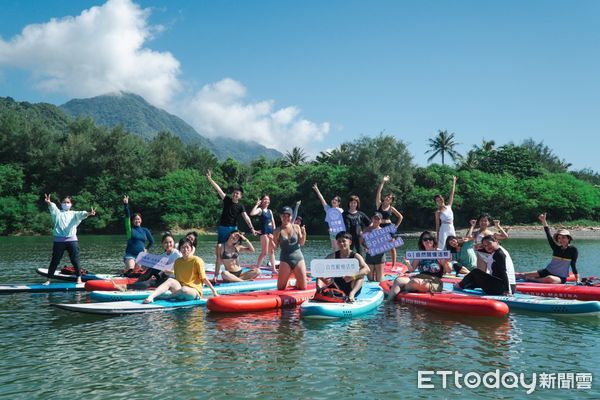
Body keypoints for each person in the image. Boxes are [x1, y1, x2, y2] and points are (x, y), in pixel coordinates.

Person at [143, 238, 218, 303]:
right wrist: (167, 272)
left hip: (194, 291)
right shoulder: (178, 261)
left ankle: (166, 297)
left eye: (187, 247)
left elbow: (203, 278)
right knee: (170, 280)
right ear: (180, 249)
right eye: (183, 247)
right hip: (180, 288)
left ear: (191, 248)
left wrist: (214, 291)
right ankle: (151, 297)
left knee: (184, 289)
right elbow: (177, 275)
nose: (185, 250)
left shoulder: (197, 260)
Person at [43, 193, 96, 285]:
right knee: (55, 260)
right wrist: (48, 202)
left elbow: (82, 214)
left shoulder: (74, 214)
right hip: (59, 241)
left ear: (71, 204)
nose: (66, 204)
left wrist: (89, 213)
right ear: (62, 204)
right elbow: (53, 206)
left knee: (75, 260)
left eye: (68, 202)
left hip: (72, 241)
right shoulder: (57, 213)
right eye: (64, 202)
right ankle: (48, 280)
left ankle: (79, 278)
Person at [515, 213, 580, 284]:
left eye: (564, 237)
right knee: (522, 275)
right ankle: (504, 276)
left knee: (550, 279)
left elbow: (573, 265)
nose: (561, 240)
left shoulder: (573, 250)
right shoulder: (556, 248)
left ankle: (532, 279)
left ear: (568, 238)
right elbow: (548, 235)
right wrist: (543, 221)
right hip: (547, 271)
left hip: (560, 277)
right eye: (559, 238)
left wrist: (577, 279)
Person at [206, 169, 256, 260]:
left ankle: (234, 264)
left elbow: (246, 217)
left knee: (235, 247)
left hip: (233, 229)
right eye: (234, 193)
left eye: (237, 193)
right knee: (220, 247)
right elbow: (218, 189)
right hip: (223, 228)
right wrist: (210, 179)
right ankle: (219, 262)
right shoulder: (227, 200)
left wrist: (252, 228)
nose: (235, 194)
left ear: (240, 196)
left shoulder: (240, 206)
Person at [386, 231, 450, 301]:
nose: (428, 241)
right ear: (422, 242)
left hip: (434, 281)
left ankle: (398, 289)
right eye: (425, 239)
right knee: (398, 280)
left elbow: (448, 270)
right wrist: (407, 263)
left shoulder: (440, 253)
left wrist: (445, 262)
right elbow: (412, 269)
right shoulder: (419, 254)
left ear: (433, 240)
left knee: (415, 282)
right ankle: (388, 303)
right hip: (420, 277)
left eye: (430, 239)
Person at [317, 232, 371, 302]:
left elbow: (367, 269)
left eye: (344, 241)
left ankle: (352, 294)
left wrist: (352, 276)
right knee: (319, 276)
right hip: (336, 285)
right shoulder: (332, 256)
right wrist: (323, 279)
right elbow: (319, 269)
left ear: (350, 242)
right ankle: (318, 292)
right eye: (339, 242)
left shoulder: (356, 256)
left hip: (351, 285)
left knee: (361, 275)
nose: (341, 243)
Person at [274, 206, 307, 290]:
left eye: (288, 216)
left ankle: (296, 282)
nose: (286, 218)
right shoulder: (277, 231)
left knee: (303, 287)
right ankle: (288, 282)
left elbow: (302, 243)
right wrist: (271, 241)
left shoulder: (296, 227)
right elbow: (275, 247)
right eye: (284, 216)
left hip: (298, 258)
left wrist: (304, 233)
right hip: (285, 259)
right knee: (280, 288)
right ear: (280, 216)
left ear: (291, 217)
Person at [375, 175, 404, 268]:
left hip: (389, 227)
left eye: (390, 198)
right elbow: (378, 192)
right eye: (387, 197)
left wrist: (396, 227)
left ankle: (393, 265)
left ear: (391, 201)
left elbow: (400, 217)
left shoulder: (391, 208)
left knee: (392, 246)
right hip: (379, 227)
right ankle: (380, 263)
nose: (388, 198)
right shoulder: (379, 204)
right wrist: (383, 181)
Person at [122, 196, 154, 275]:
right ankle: (127, 273)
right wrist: (126, 205)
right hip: (130, 255)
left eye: (138, 219)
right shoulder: (130, 230)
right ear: (132, 221)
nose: (137, 220)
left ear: (141, 220)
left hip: (141, 257)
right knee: (131, 270)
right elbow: (127, 217)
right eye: (135, 219)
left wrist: (146, 249)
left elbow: (152, 241)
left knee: (139, 273)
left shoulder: (145, 230)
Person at [312, 183, 343, 251]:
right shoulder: (328, 209)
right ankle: (335, 261)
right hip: (332, 233)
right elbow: (322, 199)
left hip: (340, 232)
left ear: (339, 203)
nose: (334, 201)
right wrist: (317, 189)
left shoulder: (340, 210)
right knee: (334, 249)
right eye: (333, 199)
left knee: (340, 249)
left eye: (336, 200)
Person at [249, 194, 277, 271]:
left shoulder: (270, 211)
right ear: (261, 201)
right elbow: (251, 213)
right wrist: (256, 204)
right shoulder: (260, 210)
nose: (266, 201)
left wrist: (274, 232)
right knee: (265, 252)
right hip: (264, 233)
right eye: (264, 199)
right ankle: (257, 267)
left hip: (270, 232)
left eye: (267, 199)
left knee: (272, 251)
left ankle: (274, 269)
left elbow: (273, 222)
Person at [361, 212, 387, 282]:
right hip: (369, 256)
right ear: (372, 219)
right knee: (370, 279)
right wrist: (365, 248)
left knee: (379, 280)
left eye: (378, 219)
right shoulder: (366, 230)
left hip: (379, 256)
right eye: (375, 218)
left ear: (381, 220)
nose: (376, 220)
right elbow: (361, 242)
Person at [434, 176, 458, 250]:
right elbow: (437, 226)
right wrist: (437, 237)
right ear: (436, 203)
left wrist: (454, 181)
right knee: (441, 245)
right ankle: (439, 259)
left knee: (454, 242)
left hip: (451, 226)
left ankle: (454, 258)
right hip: (443, 228)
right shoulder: (438, 212)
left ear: (443, 199)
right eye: (437, 200)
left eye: (440, 199)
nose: (440, 201)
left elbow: (452, 193)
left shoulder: (449, 206)